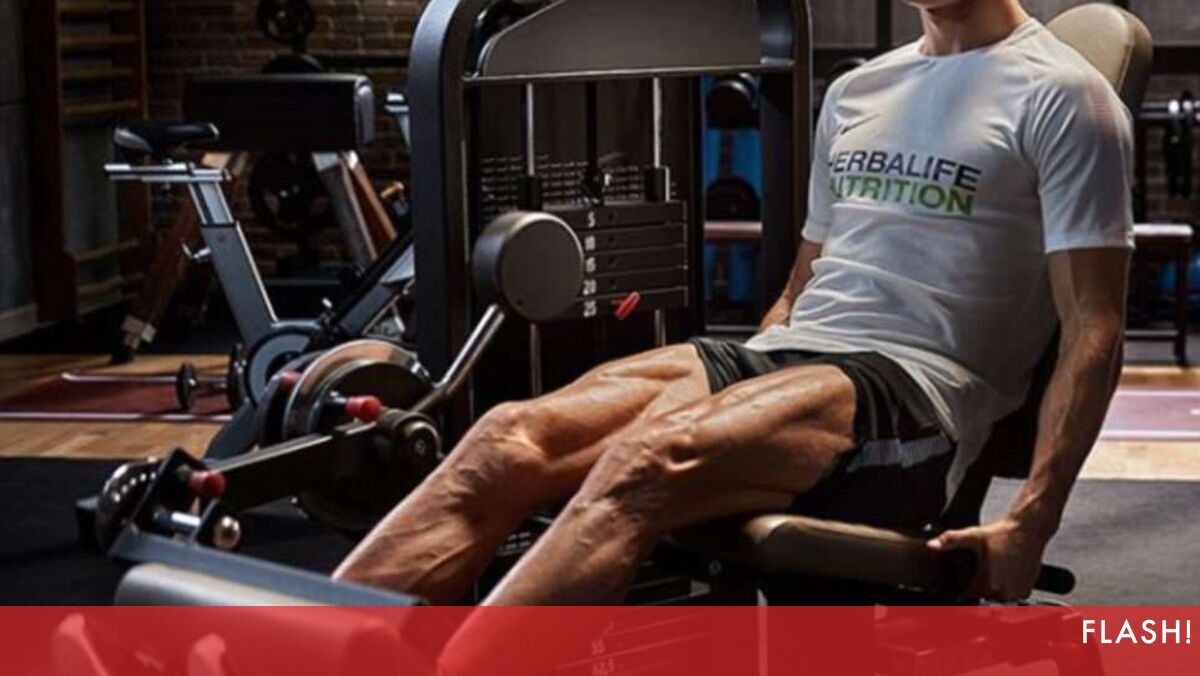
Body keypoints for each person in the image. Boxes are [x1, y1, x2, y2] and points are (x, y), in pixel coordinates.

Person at [334, 0, 1133, 605]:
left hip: (917, 391)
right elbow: (801, 285)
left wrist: (1031, 523)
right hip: (793, 355)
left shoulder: (1065, 95)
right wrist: (742, 398)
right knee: (504, 440)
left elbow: (1094, 326)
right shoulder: (859, 89)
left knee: (645, 464)